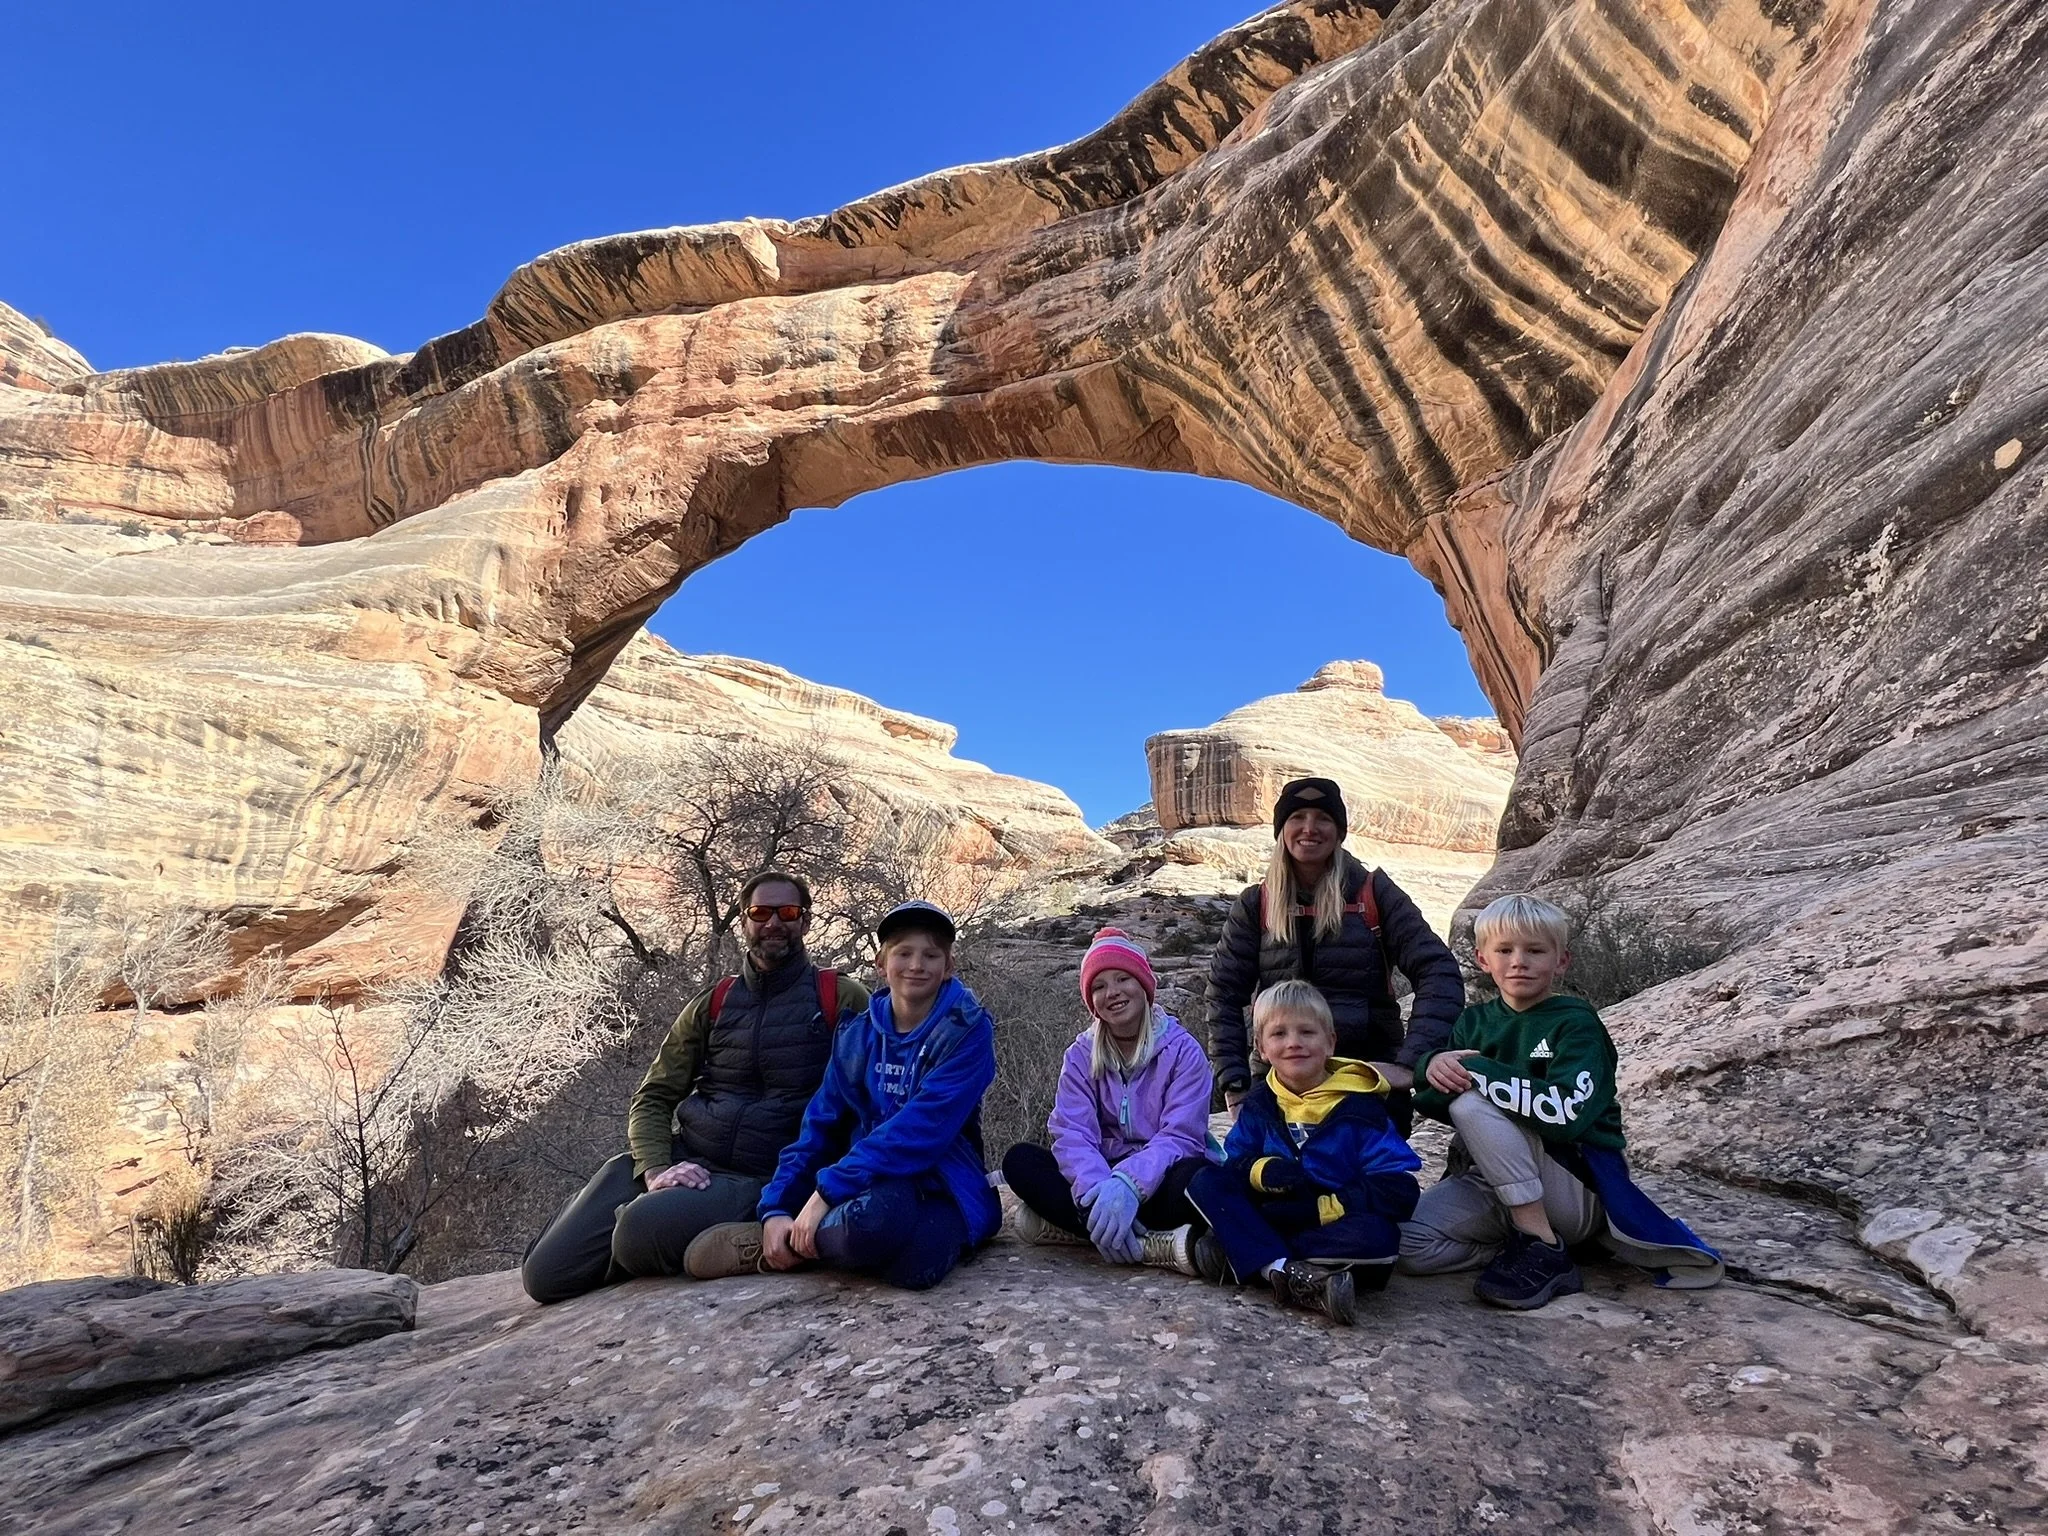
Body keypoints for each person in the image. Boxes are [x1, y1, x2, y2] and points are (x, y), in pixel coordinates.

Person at [519, 870, 867, 1305]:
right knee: (544, 1276)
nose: (773, 923)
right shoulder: (714, 1003)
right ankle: (658, 1222)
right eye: (760, 912)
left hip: (765, 1176)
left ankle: (765, 1237)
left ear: (806, 921)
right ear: (743, 921)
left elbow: (869, 1100)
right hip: (691, 1158)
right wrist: (655, 1170)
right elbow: (654, 1096)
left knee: (637, 1230)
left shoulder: (841, 998)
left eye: (788, 912)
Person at [1399, 893, 1723, 1308]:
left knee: (1471, 1103)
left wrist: (1479, 1073)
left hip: (1569, 1186)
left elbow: (1564, 1114)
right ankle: (1521, 1244)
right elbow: (1432, 1103)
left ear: (1562, 961)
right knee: (1409, 1245)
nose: (1519, 961)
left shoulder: (1575, 1024)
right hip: (1491, 1184)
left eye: (1535, 950)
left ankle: (1542, 1244)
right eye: (1505, 950)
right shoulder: (1473, 1022)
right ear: (1483, 960)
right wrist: (1433, 1065)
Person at [684, 900, 1000, 1291]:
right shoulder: (858, 1035)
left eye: (931, 955)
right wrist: (777, 1205)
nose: (917, 965)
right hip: (873, 1181)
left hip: (941, 1180)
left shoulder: (967, 1030)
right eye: (904, 953)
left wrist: (825, 1193)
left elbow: (923, 1128)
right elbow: (820, 1124)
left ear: (948, 966)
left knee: (915, 1269)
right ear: (881, 963)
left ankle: (799, 1245)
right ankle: (777, 1239)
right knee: (879, 1222)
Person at [1206, 777, 1465, 1122]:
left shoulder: (1374, 893)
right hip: (1280, 1083)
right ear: (1282, 829)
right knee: (1268, 1174)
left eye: (1323, 818)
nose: (1309, 828)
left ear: (1339, 831)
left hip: (1364, 1080)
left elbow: (1438, 970)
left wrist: (1410, 1063)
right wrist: (1235, 1081)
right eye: (1297, 817)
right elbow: (1223, 993)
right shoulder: (1257, 904)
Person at [1187, 980, 1422, 1324]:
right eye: (1279, 1034)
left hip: (1331, 1220)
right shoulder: (1258, 1105)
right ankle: (1287, 1272)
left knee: (1380, 1240)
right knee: (1204, 1179)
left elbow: (1399, 1188)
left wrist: (1324, 1208)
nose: (1294, 1043)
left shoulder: (1360, 1108)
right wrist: (1261, 1170)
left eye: (1307, 1032)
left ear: (1330, 1042)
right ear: (1261, 1048)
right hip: (1275, 1208)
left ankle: (1245, 1251)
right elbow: (1235, 1160)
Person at [1001, 927, 1214, 1275]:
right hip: (1100, 1178)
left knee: (1198, 1178)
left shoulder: (1183, 1051)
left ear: (1144, 985)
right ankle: (1148, 1245)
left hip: (1160, 1179)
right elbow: (1072, 1134)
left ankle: (1076, 1229)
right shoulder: (1080, 1056)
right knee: (1021, 1161)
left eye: (1122, 979)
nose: (1112, 993)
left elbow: (1181, 1137)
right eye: (1098, 986)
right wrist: (1101, 1189)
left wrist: (1128, 1186)